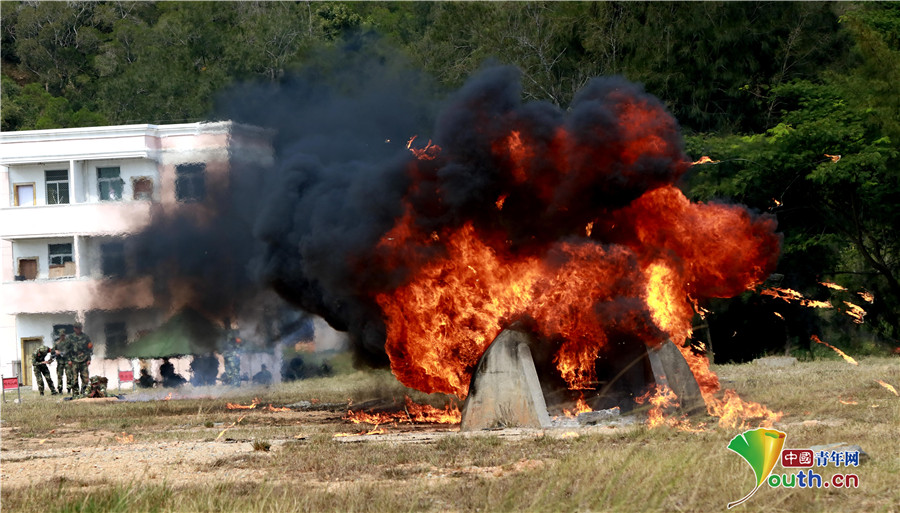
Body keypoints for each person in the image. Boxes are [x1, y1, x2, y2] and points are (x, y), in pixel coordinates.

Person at [66, 322, 92, 396]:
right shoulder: (70, 338)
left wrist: (89, 359)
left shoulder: (86, 337)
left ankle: (84, 393)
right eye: (77, 328)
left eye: (80, 328)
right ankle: (76, 394)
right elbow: (67, 350)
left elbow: (89, 349)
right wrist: (69, 360)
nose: (78, 329)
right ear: (74, 328)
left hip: (84, 360)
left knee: (85, 378)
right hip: (74, 360)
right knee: (74, 379)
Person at [52, 329, 71, 394]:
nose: (62, 336)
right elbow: (52, 352)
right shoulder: (56, 343)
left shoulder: (68, 342)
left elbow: (72, 351)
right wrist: (55, 352)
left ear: (65, 335)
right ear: (59, 335)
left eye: (63, 335)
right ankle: (60, 390)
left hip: (67, 361)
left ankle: (69, 389)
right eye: (61, 335)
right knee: (60, 376)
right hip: (60, 362)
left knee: (68, 375)